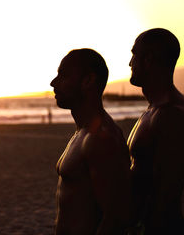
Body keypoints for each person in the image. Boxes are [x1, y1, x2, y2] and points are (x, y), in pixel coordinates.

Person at [50, 48, 132, 235]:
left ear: (88, 81)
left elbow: (116, 218)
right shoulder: (83, 133)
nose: (53, 83)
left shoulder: (101, 138)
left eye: (63, 76)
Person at [127, 28, 184, 234]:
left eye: (134, 55)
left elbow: (166, 193)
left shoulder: (173, 115)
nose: (130, 63)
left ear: (148, 60)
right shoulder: (153, 110)